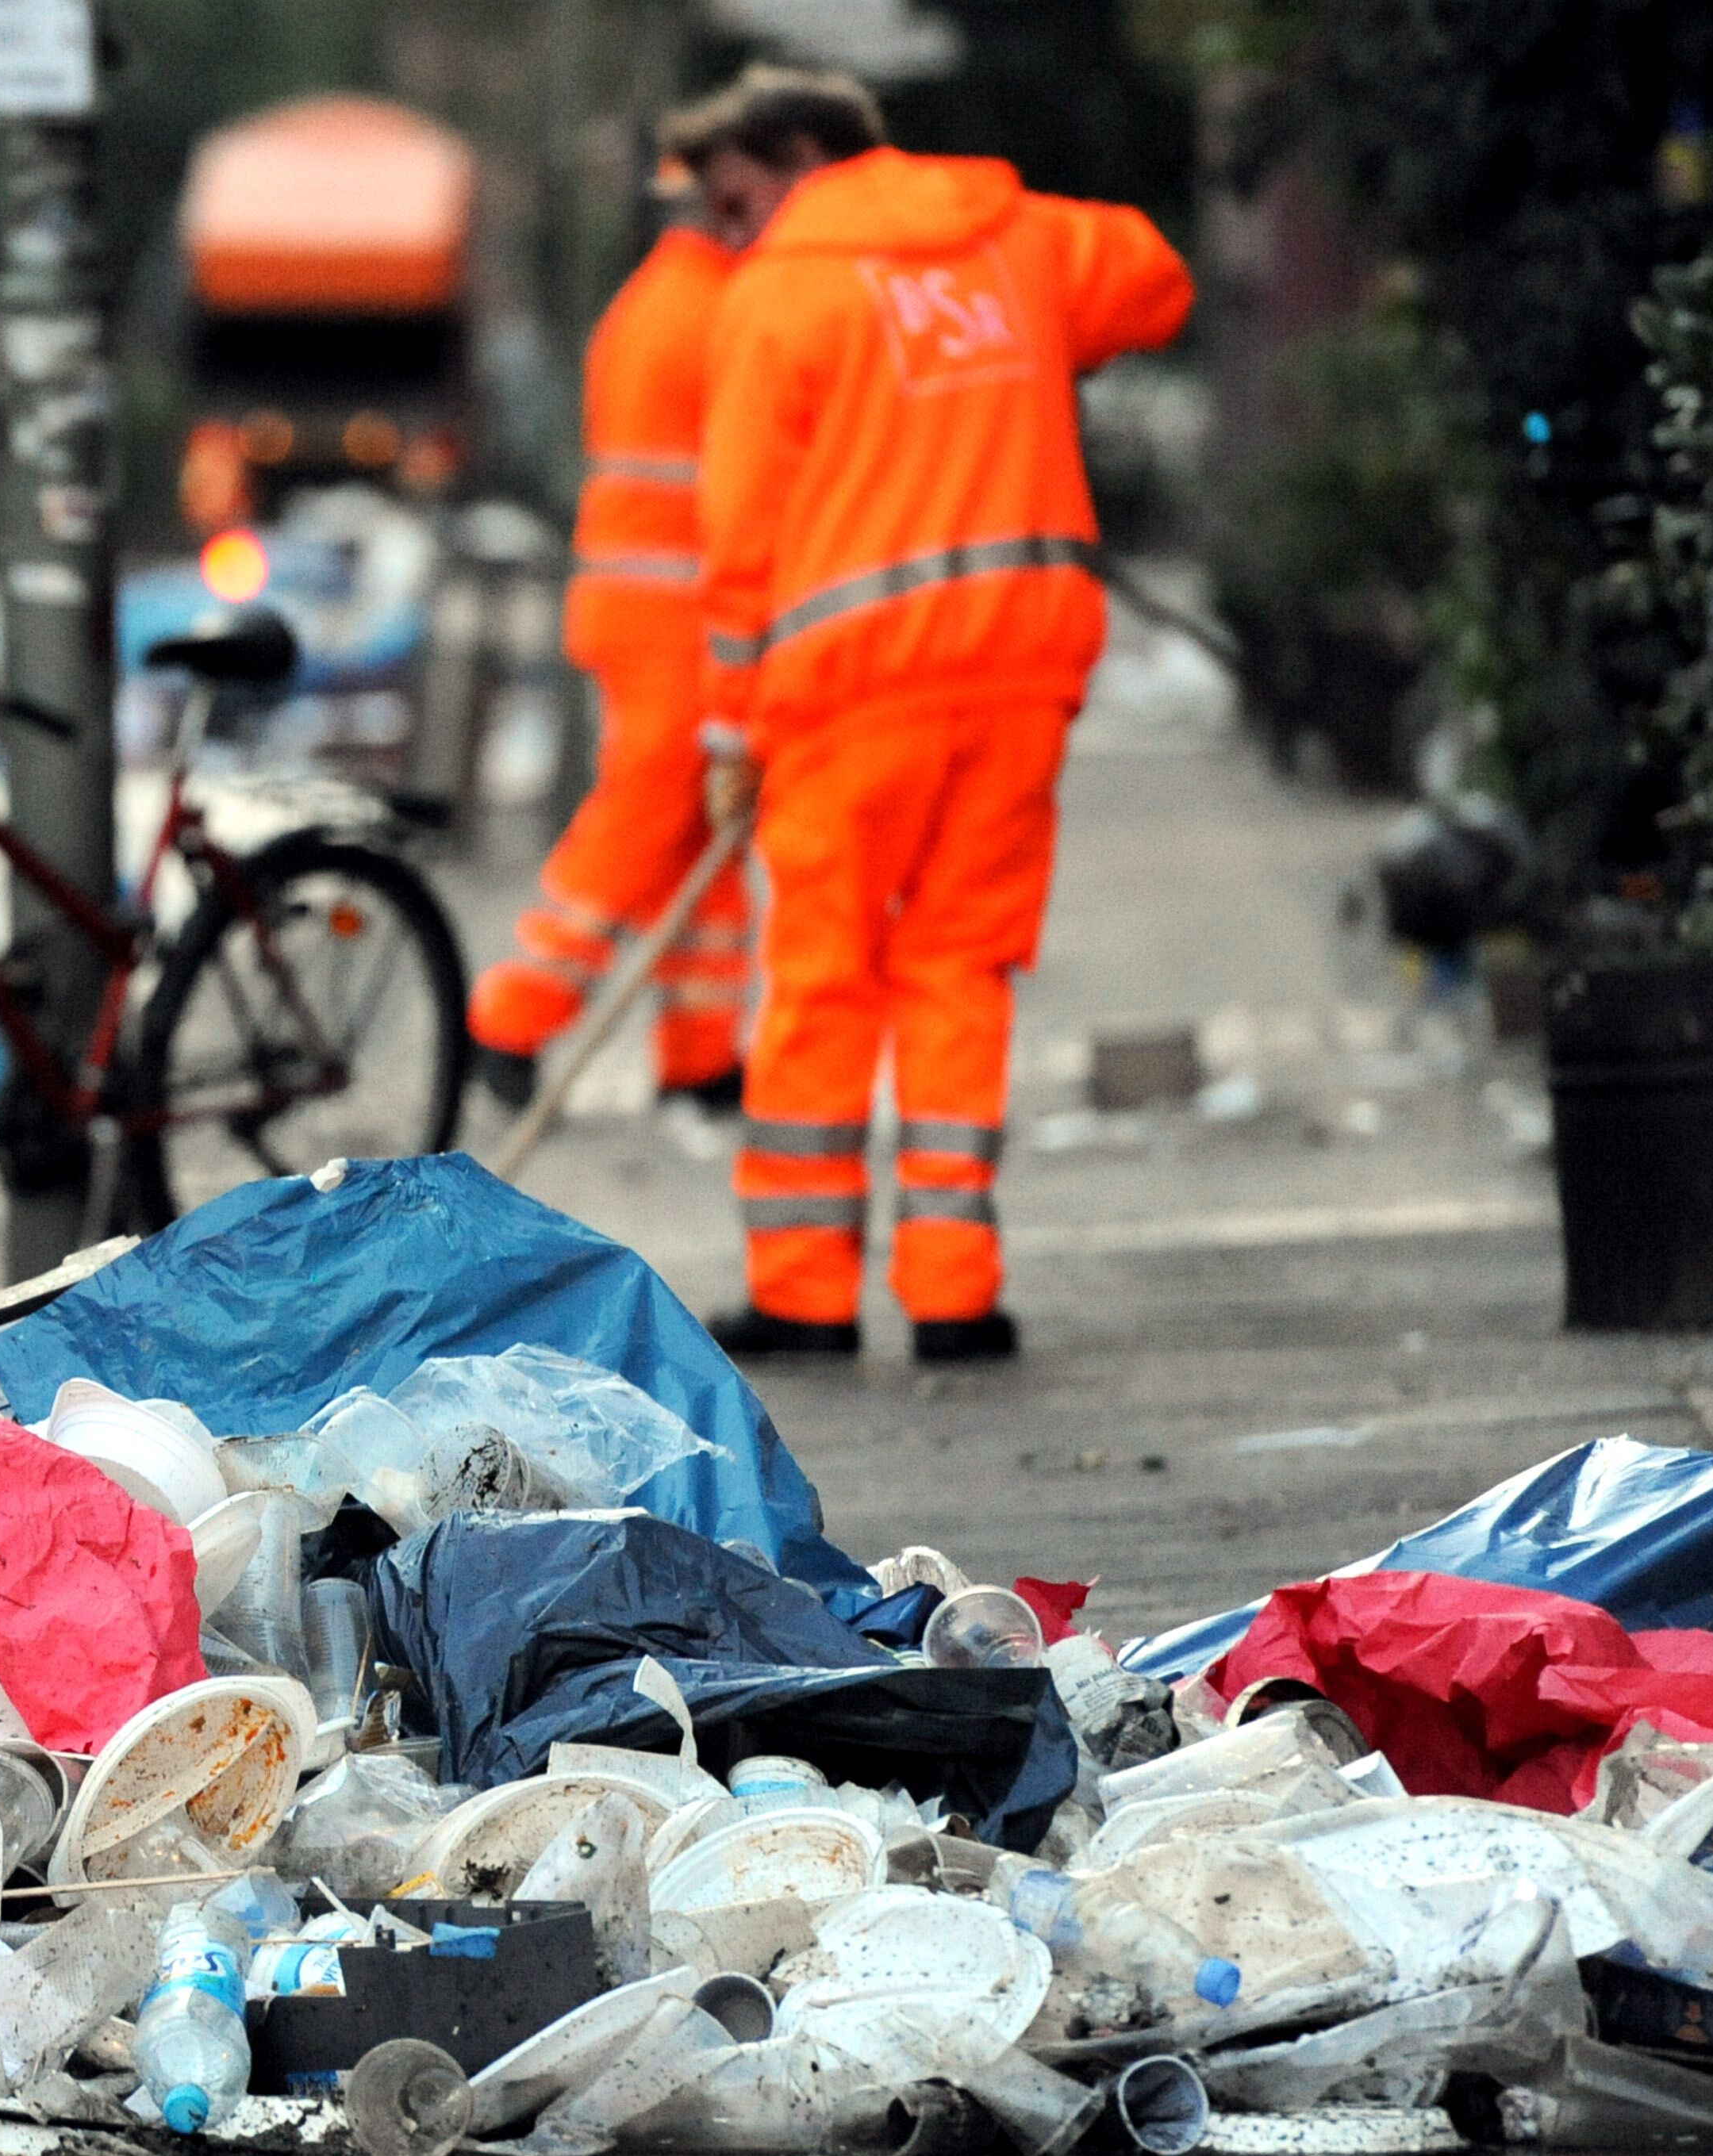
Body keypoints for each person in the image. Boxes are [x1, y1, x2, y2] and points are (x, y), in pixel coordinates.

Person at [686, 67, 1192, 1360]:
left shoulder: (777, 294)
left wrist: (729, 726)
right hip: (1019, 666)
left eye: (736, 197)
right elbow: (1152, 275)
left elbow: (738, 540)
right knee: (959, 967)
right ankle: (952, 1288)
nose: (725, 230)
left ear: (803, 155)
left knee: (821, 977)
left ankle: (801, 1289)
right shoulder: (1009, 236)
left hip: (850, 687)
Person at [468, 142, 752, 1115]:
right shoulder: (722, 315)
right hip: (676, 615)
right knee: (645, 816)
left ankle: (702, 1055)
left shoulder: (649, 304)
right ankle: (511, 1014)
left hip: (635, 605)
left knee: (693, 829)